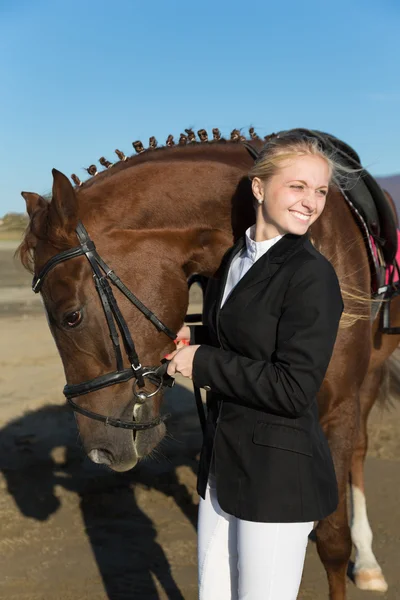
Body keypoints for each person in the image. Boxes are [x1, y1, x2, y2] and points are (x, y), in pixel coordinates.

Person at [166, 131, 345, 600]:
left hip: (278, 479)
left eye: (321, 190)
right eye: (298, 186)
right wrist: (196, 337)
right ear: (260, 188)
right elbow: (249, 337)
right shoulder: (232, 260)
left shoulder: (312, 275)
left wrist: (202, 361)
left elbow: (292, 387)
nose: (312, 202)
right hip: (222, 468)